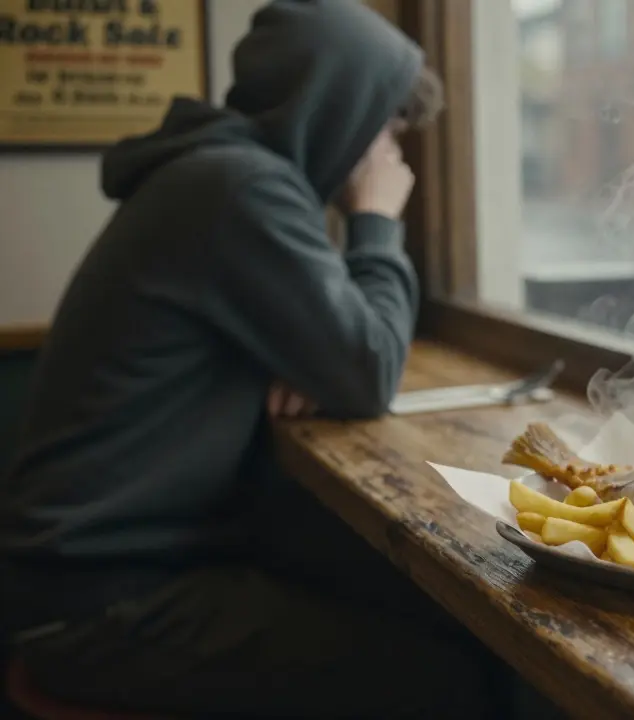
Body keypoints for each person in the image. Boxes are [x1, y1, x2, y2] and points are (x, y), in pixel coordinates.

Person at [0, 1, 532, 717]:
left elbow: (341, 357)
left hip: (100, 576)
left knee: (426, 616)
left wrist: (306, 353)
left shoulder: (214, 176)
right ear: (337, 107)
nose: (389, 151)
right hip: (104, 606)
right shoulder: (239, 188)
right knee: (447, 680)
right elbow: (368, 369)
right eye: (384, 126)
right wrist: (376, 219)